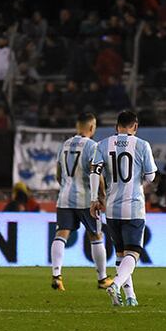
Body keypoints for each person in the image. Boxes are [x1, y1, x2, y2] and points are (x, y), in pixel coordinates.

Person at [90, 111, 156, 307]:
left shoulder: (103, 144)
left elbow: (95, 172)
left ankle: (130, 297)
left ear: (116, 126)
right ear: (135, 126)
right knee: (133, 253)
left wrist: (95, 199)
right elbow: (151, 176)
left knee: (121, 255)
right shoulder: (142, 145)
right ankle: (116, 284)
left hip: (111, 208)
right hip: (133, 206)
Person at [51, 113, 113, 292]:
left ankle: (56, 275)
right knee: (96, 236)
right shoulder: (93, 146)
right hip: (86, 199)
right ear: (92, 127)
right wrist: (101, 196)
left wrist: (66, 187)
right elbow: (97, 174)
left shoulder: (65, 145)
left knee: (61, 234)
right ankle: (102, 279)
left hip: (64, 198)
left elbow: (58, 173)